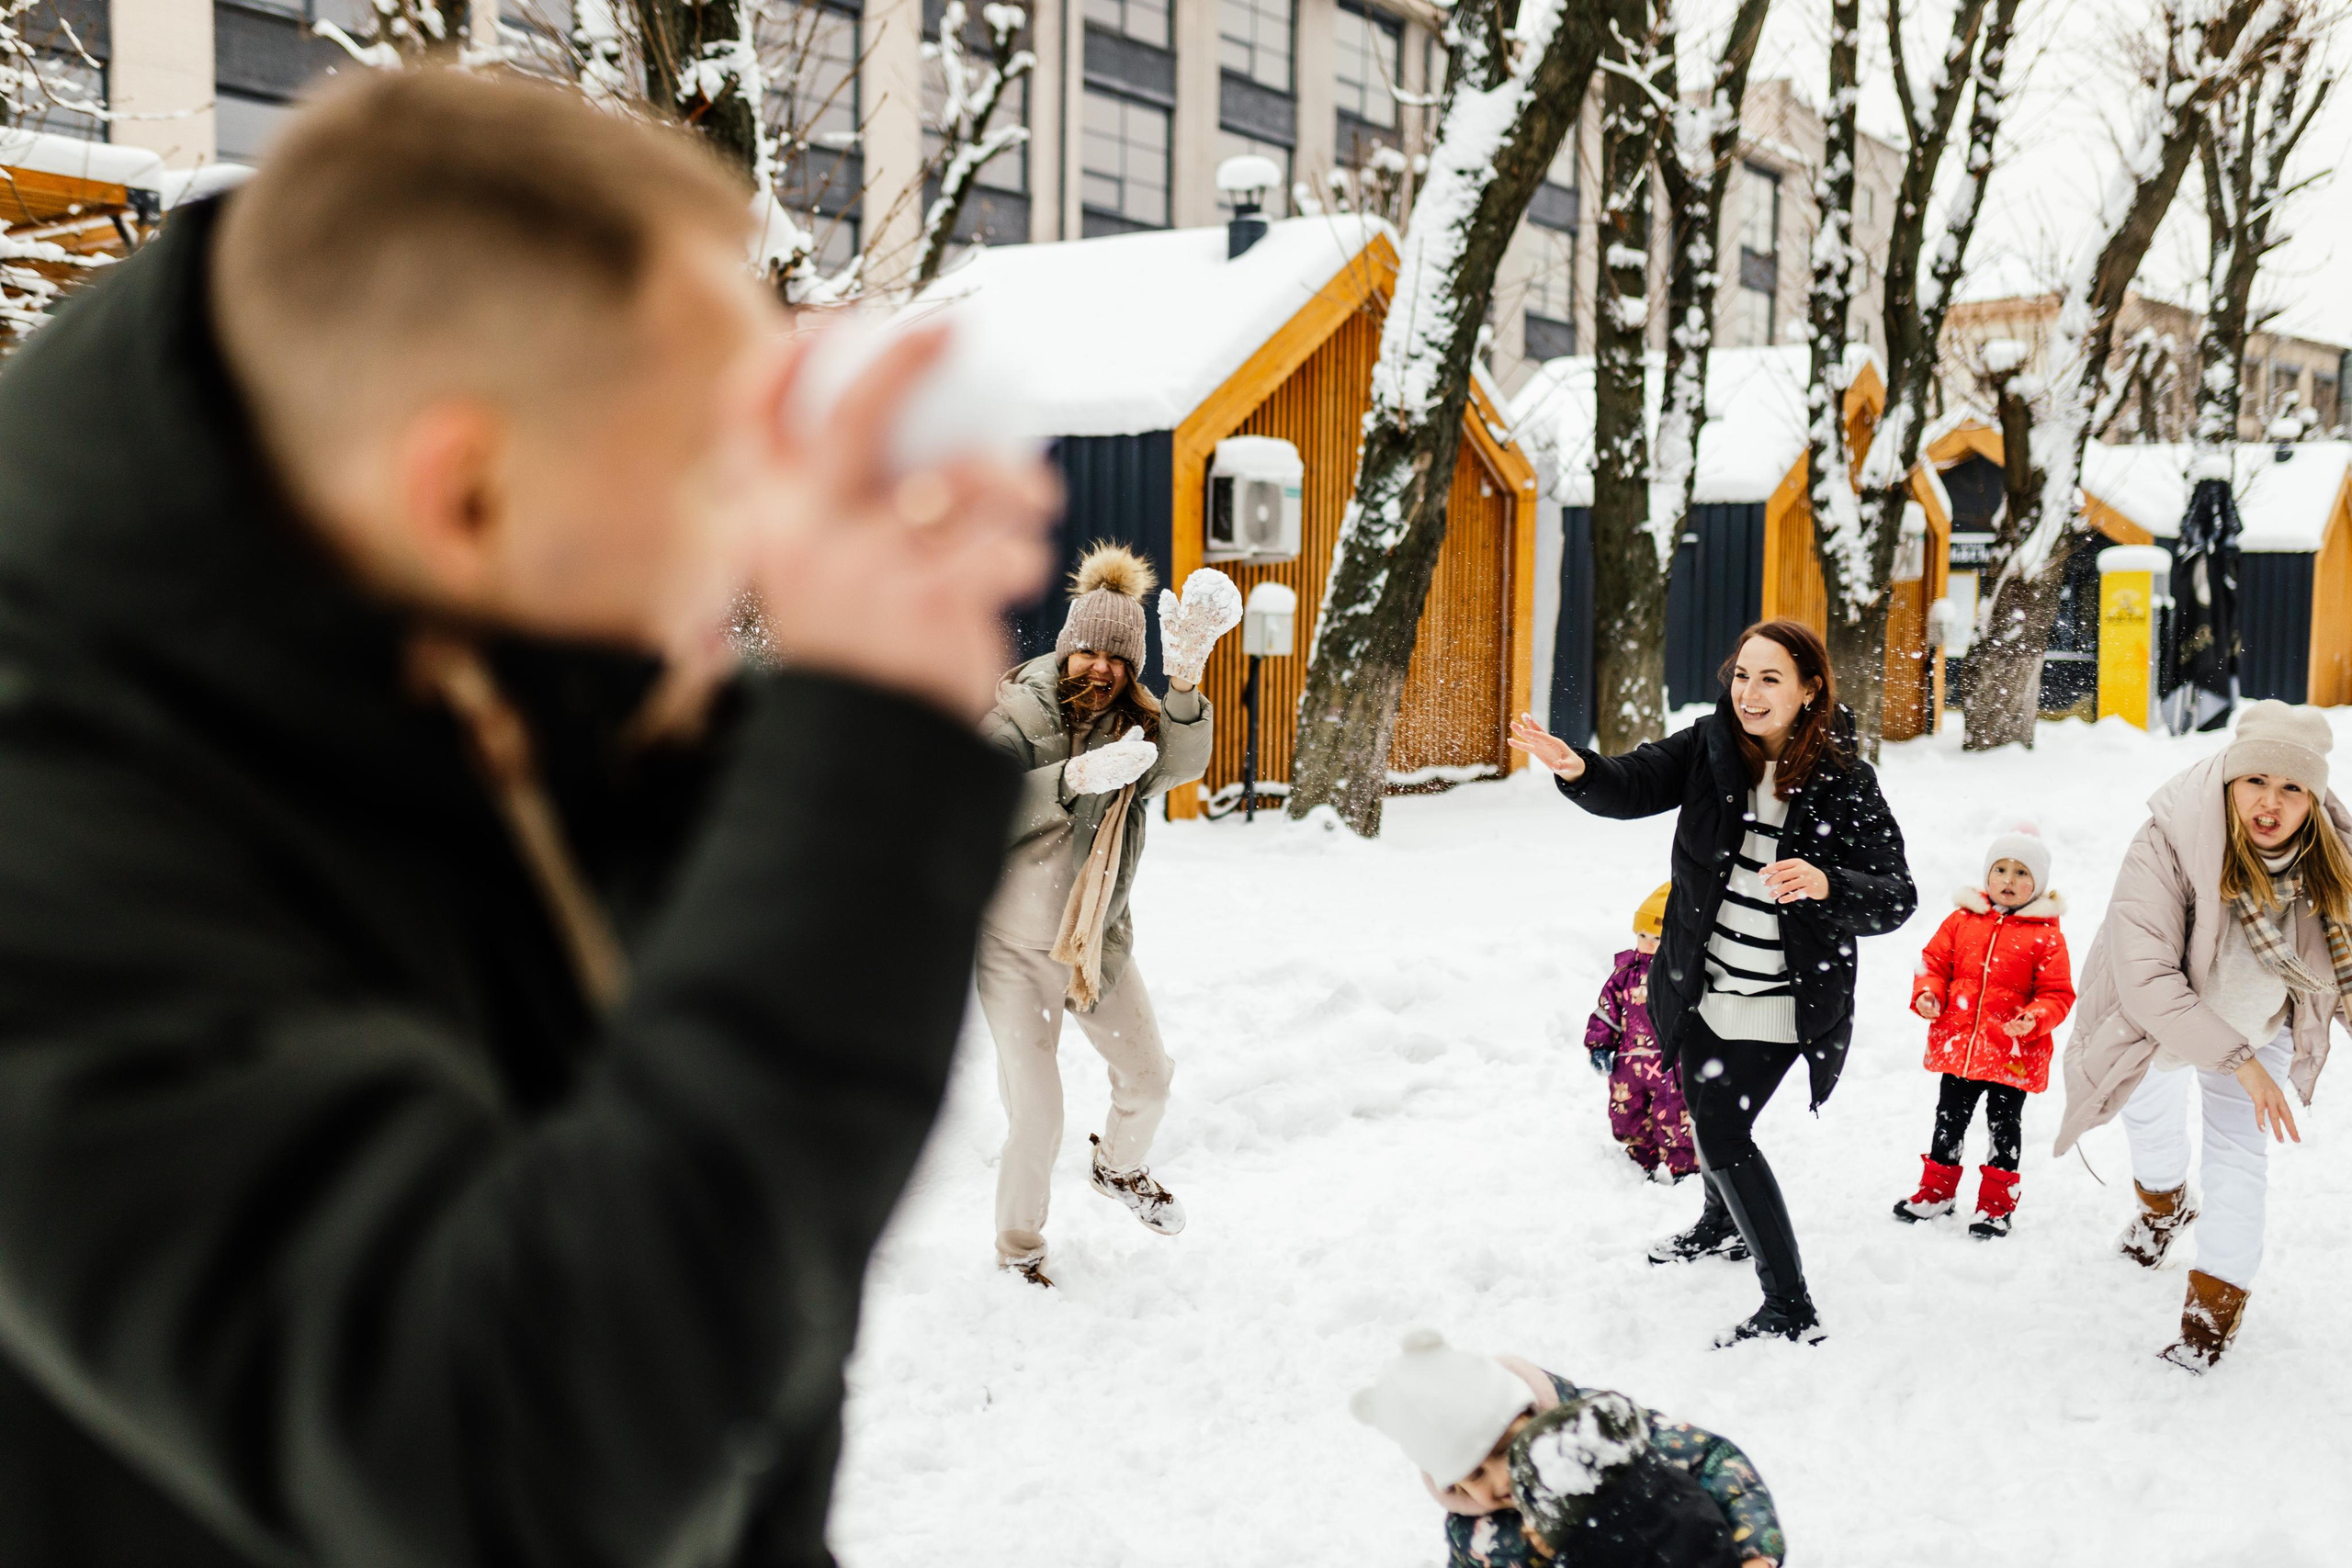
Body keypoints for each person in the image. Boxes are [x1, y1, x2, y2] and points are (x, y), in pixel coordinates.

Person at [0, 72, 1058, 1568]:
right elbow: (512, 1457)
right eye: (709, 467)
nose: (749, 539)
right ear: (468, 492)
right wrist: (861, 749)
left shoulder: (479, 692)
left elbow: (711, 1336)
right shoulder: (45, 853)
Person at [1508, 621, 1916, 1346]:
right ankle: (1719, 1222)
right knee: (1703, 1108)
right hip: (1703, 982)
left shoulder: (1845, 779)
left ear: (1809, 689)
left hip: (1788, 996)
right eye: (1741, 676)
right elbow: (1631, 783)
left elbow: (1895, 895)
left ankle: (1789, 1305)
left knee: (1723, 1130)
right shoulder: (1707, 746)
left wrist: (1826, 881)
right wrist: (1577, 768)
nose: (1749, 694)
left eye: (1770, 679)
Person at [2054, 701, 2352, 1371]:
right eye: (2256, 781)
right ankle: (2165, 1205)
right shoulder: (2168, 840)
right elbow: (2149, 977)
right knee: (2149, 1121)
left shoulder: (2331, 855)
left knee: (2240, 1157)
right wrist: (2238, 1062)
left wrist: (2252, 1058)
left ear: (2314, 796)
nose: (2269, 803)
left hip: (2264, 1022)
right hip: (2162, 1021)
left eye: (2292, 787)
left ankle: (2210, 1317)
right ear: (2228, 778)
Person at [977, 543, 1241, 1286]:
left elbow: (1183, 761)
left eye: (1117, 656)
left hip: (1093, 943)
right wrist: (1072, 777)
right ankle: (1019, 1251)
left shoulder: (1136, 727)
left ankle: (1118, 1169)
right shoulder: (1017, 719)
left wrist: (1184, 677)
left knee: (1150, 1078)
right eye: (1087, 648)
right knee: (1037, 1113)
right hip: (1012, 952)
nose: (1100, 666)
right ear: (1066, 648)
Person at [1350, 1330, 1783, 1568]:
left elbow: (1714, 1460)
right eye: (1475, 1474)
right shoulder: (1475, 1535)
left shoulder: (1602, 1437)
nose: (1502, 1479)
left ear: (1532, 1412)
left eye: (1504, 1448)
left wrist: (1755, 1552)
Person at [1894, 826, 2075, 1237]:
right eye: (2001, 869)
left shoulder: (2045, 937)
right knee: (1947, 1121)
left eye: (2021, 873)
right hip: (1960, 1046)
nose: (2009, 881)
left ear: (2039, 883)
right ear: (1987, 875)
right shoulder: (1961, 921)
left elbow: (2057, 993)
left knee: (2003, 1126)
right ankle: (1936, 1193)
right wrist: (1928, 994)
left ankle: (1995, 1207)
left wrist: (2034, 1017)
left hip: (2011, 1052)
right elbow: (1933, 965)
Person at [1587, 882, 1701, 1182]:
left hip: (1670, 1064)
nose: (1647, 944)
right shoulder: (1624, 974)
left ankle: (1684, 1168)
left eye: (1657, 937)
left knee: (1675, 1117)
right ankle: (1638, 1163)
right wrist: (1599, 1044)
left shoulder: (1683, 974)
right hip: (1628, 1064)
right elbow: (1606, 1010)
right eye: (1642, 935)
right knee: (1627, 1115)